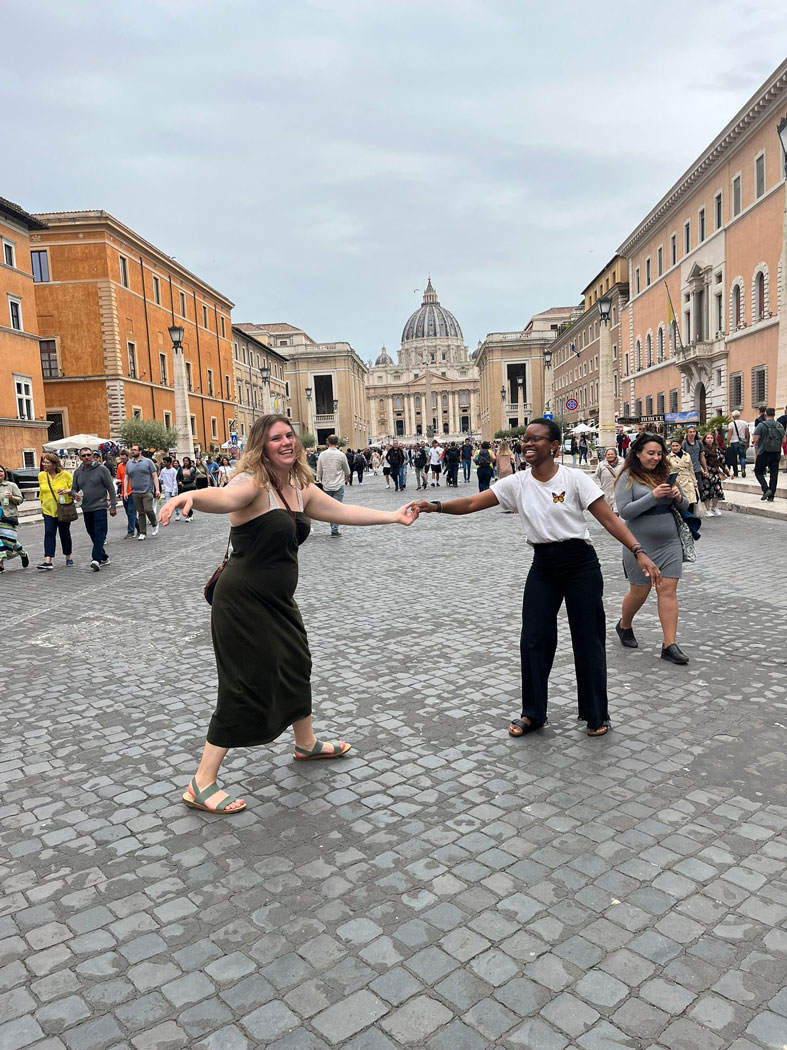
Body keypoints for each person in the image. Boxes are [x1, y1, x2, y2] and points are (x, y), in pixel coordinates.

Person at [158, 413, 420, 813]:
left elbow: (341, 512)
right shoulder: (252, 485)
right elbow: (224, 497)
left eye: (289, 436)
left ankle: (306, 742)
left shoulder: (299, 486)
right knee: (245, 683)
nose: (286, 443)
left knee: (297, 663)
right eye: (276, 438)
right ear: (261, 446)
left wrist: (392, 516)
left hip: (278, 601)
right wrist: (186, 496)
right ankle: (202, 781)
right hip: (242, 602)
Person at [416, 419, 659, 738]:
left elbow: (609, 518)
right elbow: (474, 502)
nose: (528, 444)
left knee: (587, 639)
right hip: (543, 565)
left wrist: (638, 549)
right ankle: (533, 712)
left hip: (580, 564)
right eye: (525, 440)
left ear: (554, 447)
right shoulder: (517, 483)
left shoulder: (574, 479)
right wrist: (434, 507)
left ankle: (596, 713)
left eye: (536, 440)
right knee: (534, 639)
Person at [615, 432, 691, 665]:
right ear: (637, 453)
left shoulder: (665, 474)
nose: (656, 457)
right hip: (638, 543)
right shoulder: (627, 477)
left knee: (667, 590)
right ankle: (624, 624)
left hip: (670, 542)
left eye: (659, 453)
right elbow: (625, 511)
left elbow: (687, 505)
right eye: (651, 453)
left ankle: (669, 645)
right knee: (640, 591)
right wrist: (653, 497)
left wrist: (678, 497)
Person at [71, 446, 117, 571]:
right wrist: (74, 494)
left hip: (100, 506)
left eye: (88, 455)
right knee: (92, 533)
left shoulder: (102, 469)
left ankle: (95, 559)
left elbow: (110, 488)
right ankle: (103, 557)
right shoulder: (77, 472)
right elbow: (73, 488)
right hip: (86, 507)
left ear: (92, 456)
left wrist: (113, 505)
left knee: (100, 532)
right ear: (80, 458)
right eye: (84, 455)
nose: (86, 457)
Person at [37, 453, 75, 570]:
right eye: (43, 462)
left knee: (64, 533)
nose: (44, 465)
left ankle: (68, 556)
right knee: (49, 533)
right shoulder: (41, 475)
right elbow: (42, 492)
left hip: (63, 509)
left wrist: (66, 491)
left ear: (54, 464)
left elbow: (74, 489)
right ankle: (48, 560)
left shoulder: (66, 475)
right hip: (48, 509)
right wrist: (42, 505)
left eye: (47, 463)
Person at [316, 434, 351, 536]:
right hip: (338, 484)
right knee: (337, 507)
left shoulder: (322, 455)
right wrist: (347, 476)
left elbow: (319, 470)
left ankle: (333, 525)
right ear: (337, 443)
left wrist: (320, 479)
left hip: (326, 484)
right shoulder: (341, 455)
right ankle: (334, 528)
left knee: (329, 507)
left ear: (328, 442)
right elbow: (346, 469)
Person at [127, 444, 160, 539]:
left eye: (134, 450)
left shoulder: (148, 462)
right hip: (135, 491)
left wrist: (157, 489)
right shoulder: (129, 463)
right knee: (140, 512)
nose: (132, 451)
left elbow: (154, 476)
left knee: (148, 509)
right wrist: (125, 491)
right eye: (131, 450)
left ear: (140, 451)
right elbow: (126, 478)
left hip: (147, 490)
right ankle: (142, 532)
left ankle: (154, 523)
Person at [753, 407, 786, 502]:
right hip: (776, 452)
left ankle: (765, 489)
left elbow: (755, 439)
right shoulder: (779, 425)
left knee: (758, 471)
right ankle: (771, 496)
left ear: (765, 415)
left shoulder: (761, 425)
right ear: (774, 415)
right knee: (774, 474)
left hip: (764, 452)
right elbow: (784, 440)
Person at [0, 466, 29, 572]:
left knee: (9, 541)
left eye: (1, 471)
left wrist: (11, 497)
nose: (0, 473)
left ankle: (22, 553)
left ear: (4, 473)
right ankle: (0, 564)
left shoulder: (11, 485)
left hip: (8, 517)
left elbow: (20, 500)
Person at [700, 432, 730, 516]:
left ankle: (714, 506)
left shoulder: (716, 449)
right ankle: (707, 509)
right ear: (705, 440)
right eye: (708, 438)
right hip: (707, 472)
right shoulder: (702, 449)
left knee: (717, 490)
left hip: (716, 472)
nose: (710, 439)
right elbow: (701, 461)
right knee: (707, 491)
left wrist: (725, 471)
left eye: (711, 438)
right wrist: (704, 471)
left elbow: (722, 460)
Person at [667, 438, 699, 507]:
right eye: (673, 446)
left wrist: (694, 483)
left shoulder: (687, 455)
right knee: (681, 504)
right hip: (678, 482)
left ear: (680, 446)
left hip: (688, 482)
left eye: (676, 446)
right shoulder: (669, 457)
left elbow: (691, 469)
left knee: (691, 504)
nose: (675, 448)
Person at [115, 450, 138, 537]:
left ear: (128, 457)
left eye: (124, 458)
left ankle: (130, 531)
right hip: (124, 492)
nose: (122, 460)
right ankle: (139, 527)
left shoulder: (133, 464)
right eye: (121, 458)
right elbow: (119, 478)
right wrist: (119, 484)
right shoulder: (120, 466)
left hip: (133, 491)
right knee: (128, 512)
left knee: (131, 511)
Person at [682, 426, 706, 499]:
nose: (692, 434)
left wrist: (705, 470)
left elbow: (702, 457)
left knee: (700, 489)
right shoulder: (684, 444)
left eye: (693, 432)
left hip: (697, 469)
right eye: (690, 432)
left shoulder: (699, 443)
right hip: (687, 471)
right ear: (687, 433)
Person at [726, 411, 750, 478]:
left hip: (734, 442)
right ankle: (743, 468)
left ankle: (736, 472)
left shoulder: (731, 424)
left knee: (734, 458)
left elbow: (730, 434)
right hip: (742, 442)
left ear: (733, 417)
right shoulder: (744, 423)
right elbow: (747, 433)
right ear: (739, 416)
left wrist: (727, 443)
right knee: (742, 457)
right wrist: (747, 442)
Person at [176, 457, 197, 521]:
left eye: (186, 461)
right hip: (182, 487)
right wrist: (179, 482)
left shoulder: (192, 469)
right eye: (184, 461)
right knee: (184, 502)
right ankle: (189, 513)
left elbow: (192, 479)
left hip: (189, 487)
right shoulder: (181, 469)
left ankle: (189, 515)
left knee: (188, 501)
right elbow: (177, 477)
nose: (185, 462)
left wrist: (183, 482)